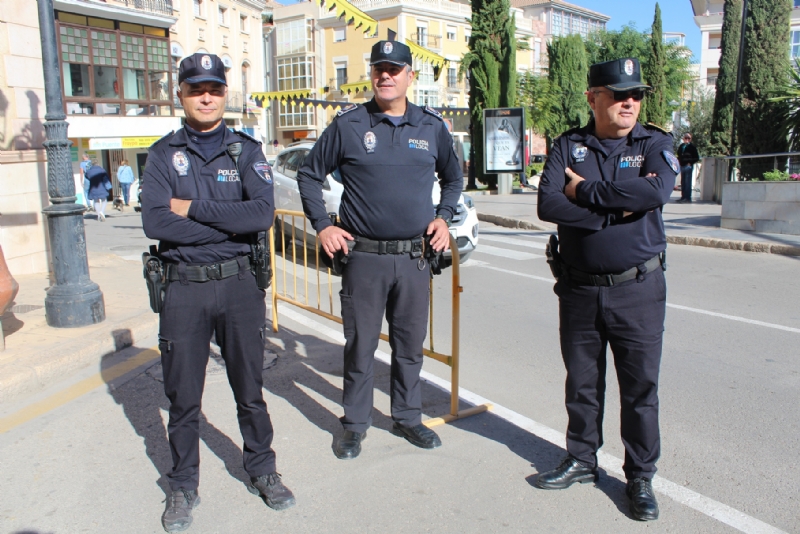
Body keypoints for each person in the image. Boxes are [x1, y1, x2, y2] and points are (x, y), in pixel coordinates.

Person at [141, 52, 295, 533]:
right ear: (181, 93)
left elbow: (260, 216)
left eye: (214, 88)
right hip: (183, 289)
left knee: (250, 389)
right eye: (195, 88)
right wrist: (223, 226)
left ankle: (262, 470)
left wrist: (189, 209)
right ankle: (183, 484)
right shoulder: (163, 155)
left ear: (225, 94)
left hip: (238, 286)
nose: (205, 96)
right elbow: (154, 221)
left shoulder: (246, 151)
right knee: (183, 396)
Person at [296, 40, 462, 460]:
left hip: (413, 257)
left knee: (408, 345)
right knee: (360, 344)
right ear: (371, 75)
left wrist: (443, 216)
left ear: (410, 76)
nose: (385, 75)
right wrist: (322, 226)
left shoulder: (431, 127)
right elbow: (309, 175)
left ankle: (408, 417)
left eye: (394, 69)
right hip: (363, 257)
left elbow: (455, 179)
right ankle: (354, 424)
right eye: (378, 69)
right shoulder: (349, 125)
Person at [536, 57, 677, 522]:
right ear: (593, 97)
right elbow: (548, 203)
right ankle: (581, 459)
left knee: (640, 389)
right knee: (582, 382)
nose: (630, 102)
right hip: (578, 289)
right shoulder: (568, 145)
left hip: (637, 289)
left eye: (636, 94)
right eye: (619, 94)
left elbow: (655, 194)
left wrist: (587, 193)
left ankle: (639, 476)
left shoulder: (655, 142)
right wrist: (616, 209)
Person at [677, 133, 699, 203]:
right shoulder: (681, 146)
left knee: (687, 182)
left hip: (688, 166)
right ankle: (683, 197)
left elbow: (696, 157)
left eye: (688, 138)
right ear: (683, 139)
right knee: (683, 182)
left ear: (690, 139)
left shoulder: (692, 147)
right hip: (682, 166)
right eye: (685, 138)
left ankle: (687, 198)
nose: (687, 140)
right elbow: (679, 154)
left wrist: (690, 162)